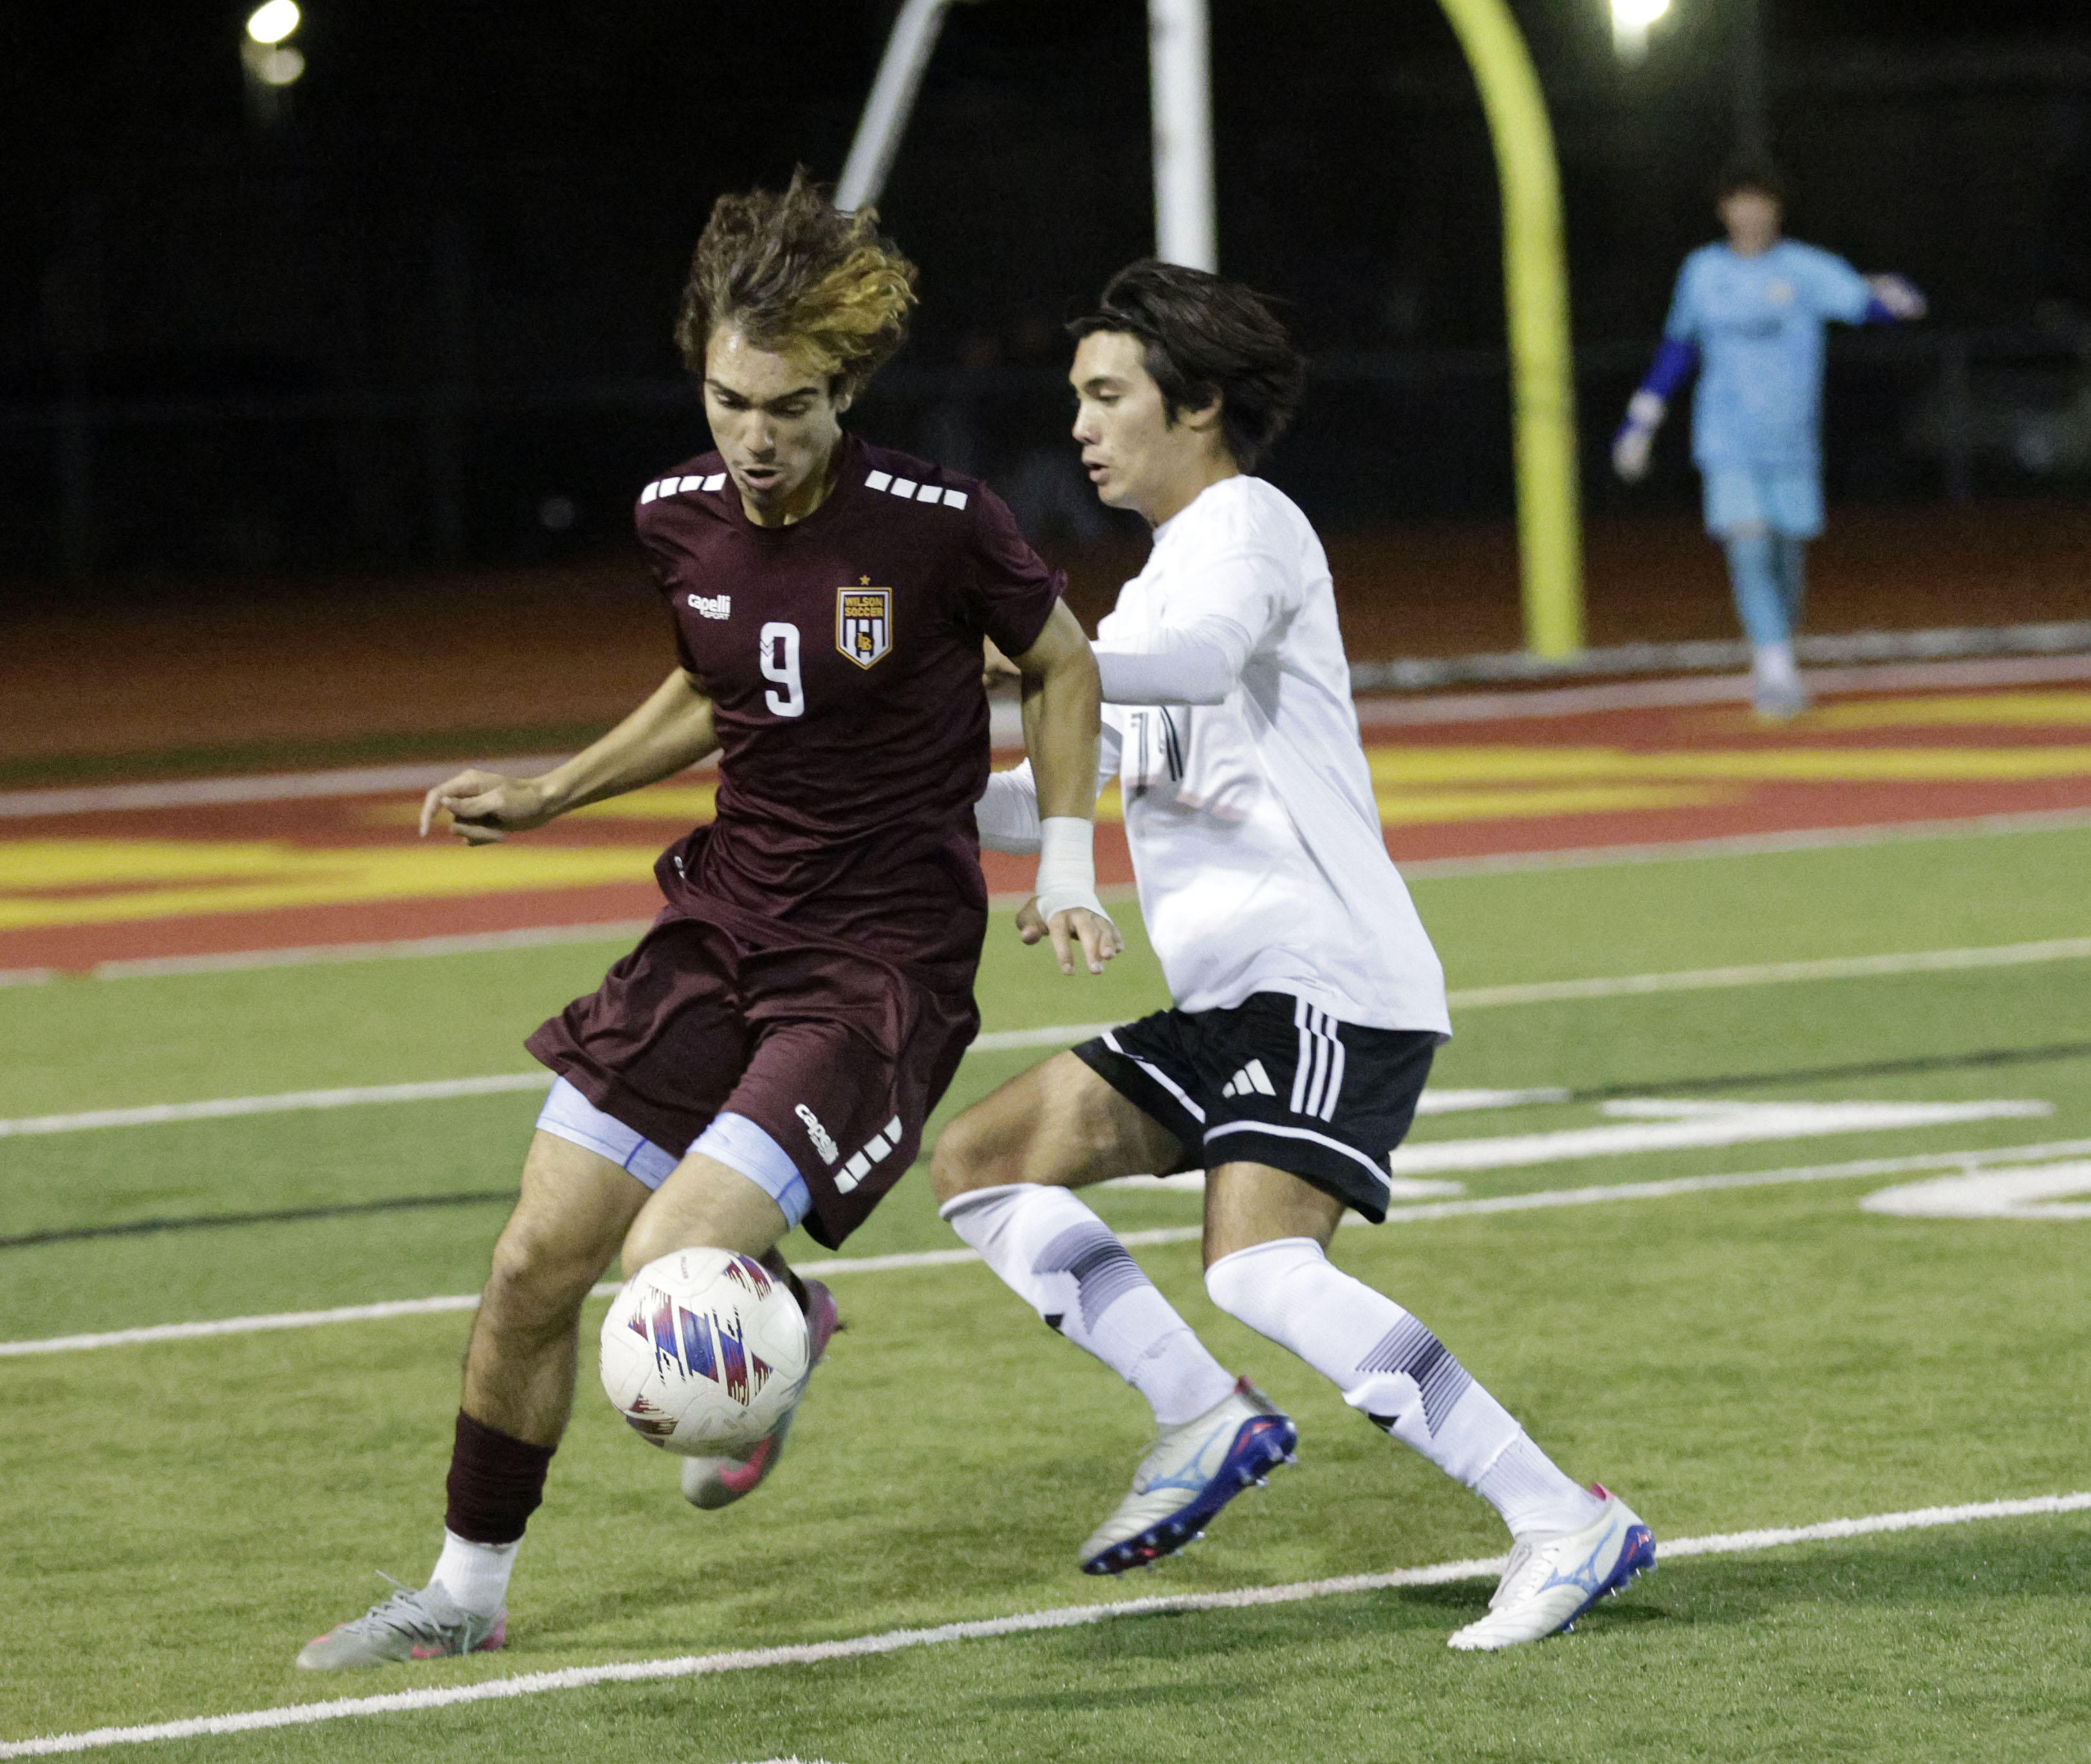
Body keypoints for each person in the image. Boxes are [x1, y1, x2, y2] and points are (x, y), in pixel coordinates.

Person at [297, 172, 1119, 1670]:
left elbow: (1063, 663)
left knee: (667, 1261)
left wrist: (1064, 858)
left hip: (874, 964)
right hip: (722, 925)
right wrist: (552, 791)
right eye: (729, 401)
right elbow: (708, 682)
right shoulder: (673, 515)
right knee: (532, 1261)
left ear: (843, 389)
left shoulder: (937, 524)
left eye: (788, 407)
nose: (753, 436)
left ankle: (771, 1317)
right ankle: (462, 1593)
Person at [934, 259, 1653, 1652]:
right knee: (983, 1158)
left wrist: (1014, 655)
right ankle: (1199, 1409)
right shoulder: (1141, 596)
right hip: (1233, 1002)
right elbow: (1056, 786)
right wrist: (887, 785)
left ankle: (1560, 1518)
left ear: (1197, 403)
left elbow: (1199, 666)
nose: (1079, 426)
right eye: (1076, 398)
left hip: (1326, 981)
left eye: (1107, 394)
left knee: (1258, 1269)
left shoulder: (1249, 526)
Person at [1612, 160, 1926, 718]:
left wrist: (1899, 297)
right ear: (1722, 210)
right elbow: (1679, 347)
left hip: (1790, 443)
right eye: (1739, 202)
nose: (1750, 213)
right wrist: (1641, 418)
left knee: (1784, 560)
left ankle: (1776, 641)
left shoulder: (1806, 268)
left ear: (1776, 209)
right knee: (1749, 545)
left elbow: (1870, 305)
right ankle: (1775, 670)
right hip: (1725, 439)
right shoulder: (1702, 271)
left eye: (1760, 202)